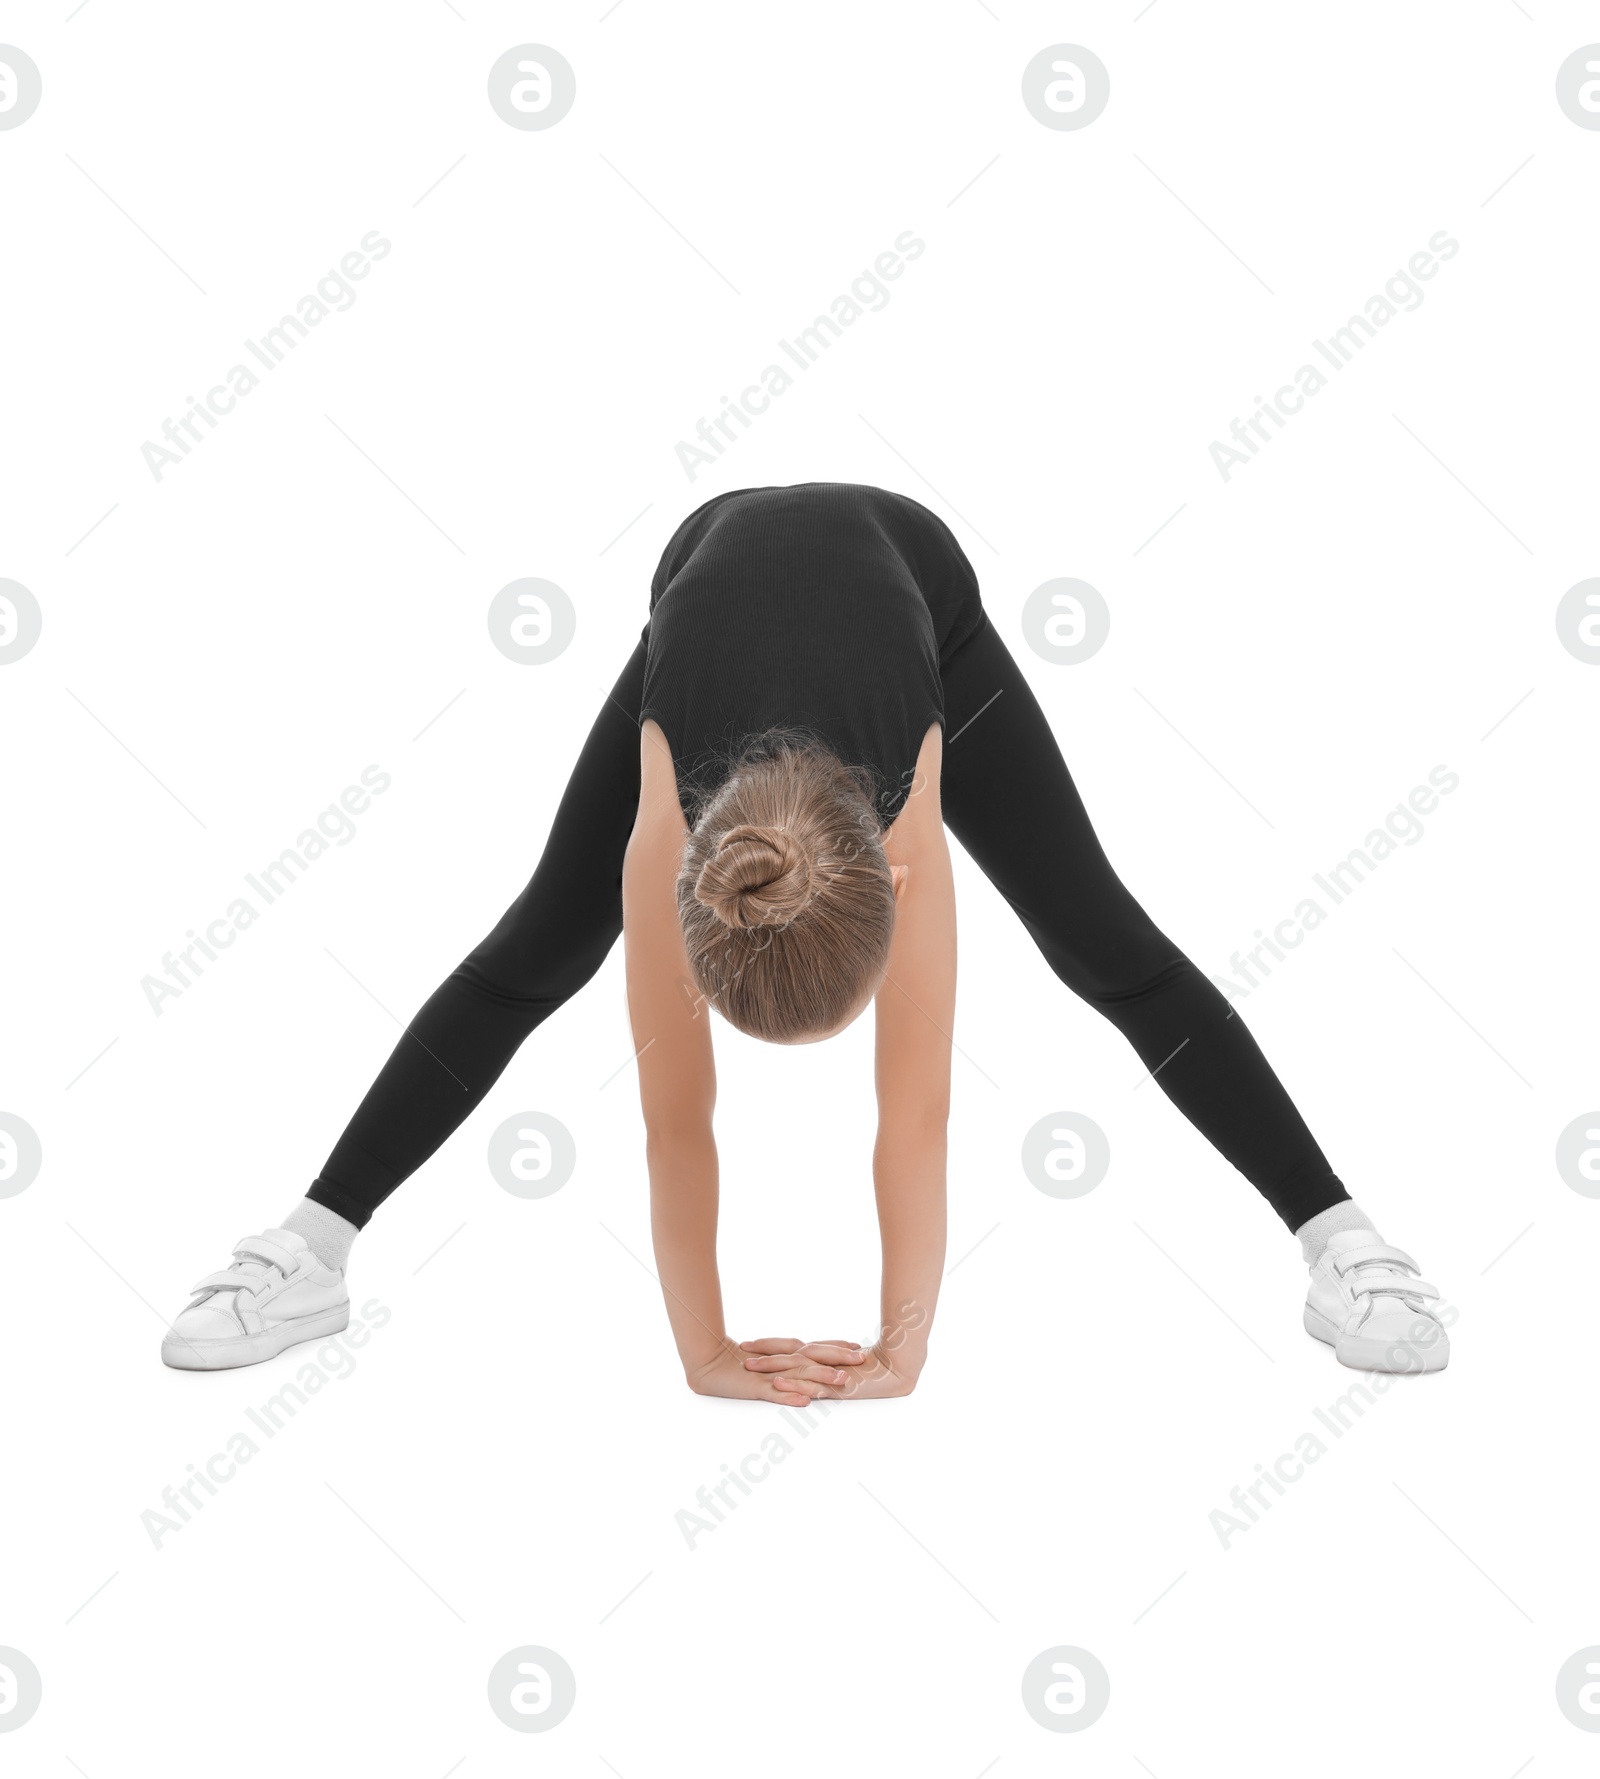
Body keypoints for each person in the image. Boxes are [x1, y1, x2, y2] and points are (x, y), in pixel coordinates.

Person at [161, 483, 1449, 1387]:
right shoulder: (674, 827)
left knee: (1101, 942)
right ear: (701, 907)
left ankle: (1347, 1243)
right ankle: (308, 1256)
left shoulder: (914, 795)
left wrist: (907, 1341)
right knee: (540, 947)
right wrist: (704, 1350)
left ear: (891, 889)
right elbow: (675, 1121)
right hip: (707, 578)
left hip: (913, 589)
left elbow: (918, 1116)